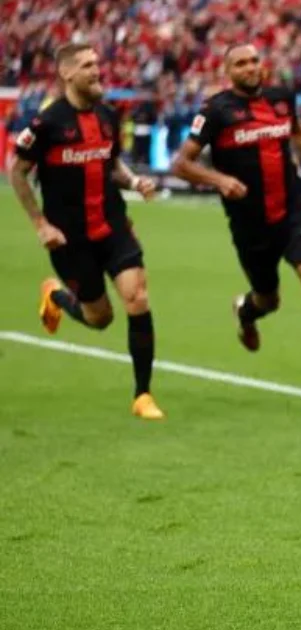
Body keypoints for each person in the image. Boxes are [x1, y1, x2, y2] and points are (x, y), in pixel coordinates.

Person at [170, 43, 301, 408]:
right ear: (228, 71)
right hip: (250, 224)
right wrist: (219, 181)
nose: (251, 67)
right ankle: (247, 312)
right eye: (241, 63)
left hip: (294, 208)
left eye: (254, 60)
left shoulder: (281, 99)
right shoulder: (216, 111)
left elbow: (299, 132)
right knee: (269, 299)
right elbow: (181, 164)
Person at [12, 43, 164, 420]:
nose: (97, 71)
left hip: (113, 226)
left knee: (138, 299)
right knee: (100, 318)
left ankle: (142, 394)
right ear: (67, 74)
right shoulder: (46, 124)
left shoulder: (108, 115)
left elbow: (111, 163)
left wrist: (133, 181)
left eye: (98, 63)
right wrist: (40, 224)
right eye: (87, 66)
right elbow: (17, 171)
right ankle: (57, 296)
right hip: (70, 239)